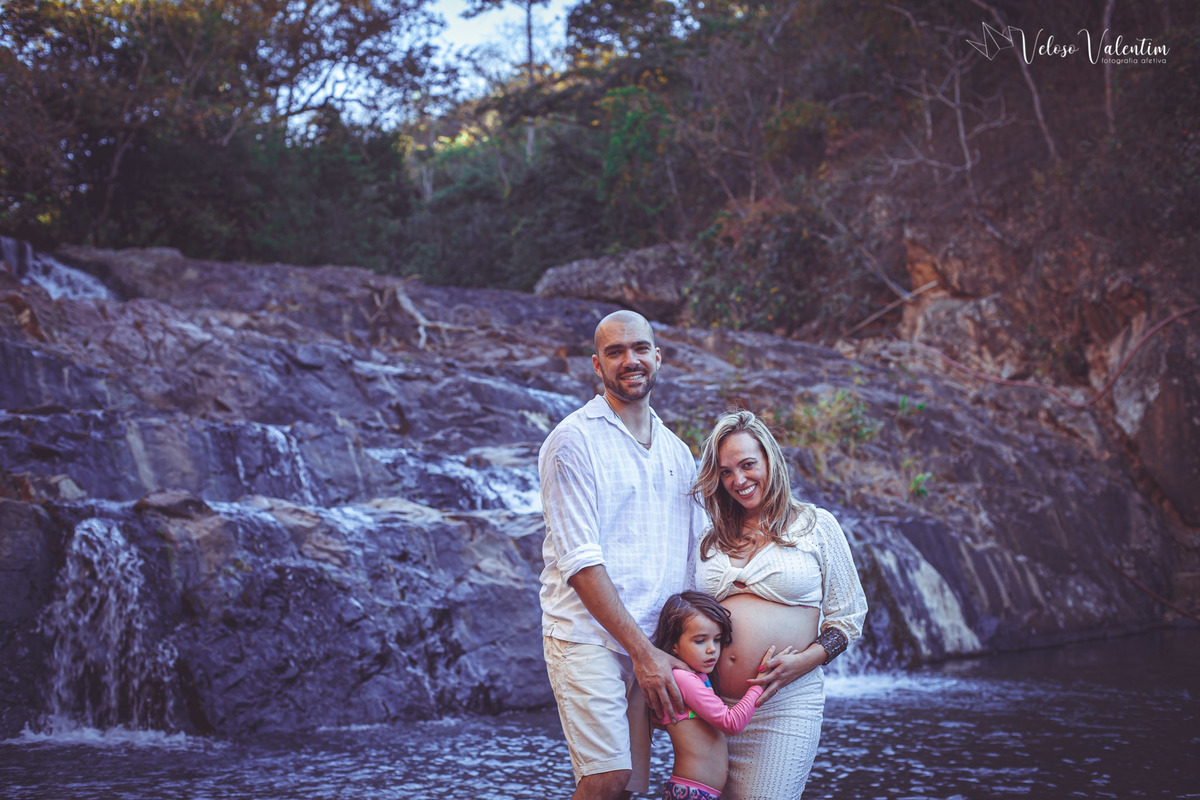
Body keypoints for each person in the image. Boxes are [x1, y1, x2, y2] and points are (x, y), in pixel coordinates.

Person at [539, 309, 708, 799]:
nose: (629, 360)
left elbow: (693, 560)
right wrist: (645, 655)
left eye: (638, 349)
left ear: (658, 357)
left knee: (631, 786)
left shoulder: (678, 452)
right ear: (597, 365)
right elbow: (580, 563)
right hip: (588, 637)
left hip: (652, 643)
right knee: (606, 778)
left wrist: (674, 652)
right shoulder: (573, 441)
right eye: (615, 352)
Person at [691, 410, 868, 800]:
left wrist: (805, 662)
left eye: (748, 465)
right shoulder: (708, 537)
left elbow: (849, 618)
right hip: (708, 708)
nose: (738, 480)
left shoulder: (816, 526)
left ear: (770, 460)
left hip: (783, 707)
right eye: (725, 472)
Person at [651, 590, 795, 800]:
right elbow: (731, 723)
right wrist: (761, 682)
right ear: (674, 644)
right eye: (700, 641)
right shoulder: (682, 679)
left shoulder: (696, 676)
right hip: (692, 794)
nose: (712, 649)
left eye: (717, 640)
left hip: (699, 792)